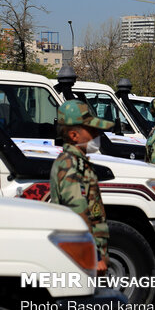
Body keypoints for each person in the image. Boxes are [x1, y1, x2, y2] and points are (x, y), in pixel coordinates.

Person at [50, 100, 114, 276]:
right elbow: (77, 213)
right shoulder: (69, 165)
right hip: (80, 258)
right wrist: (93, 255)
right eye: (91, 130)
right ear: (74, 135)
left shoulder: (79, 162)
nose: (96, 135)